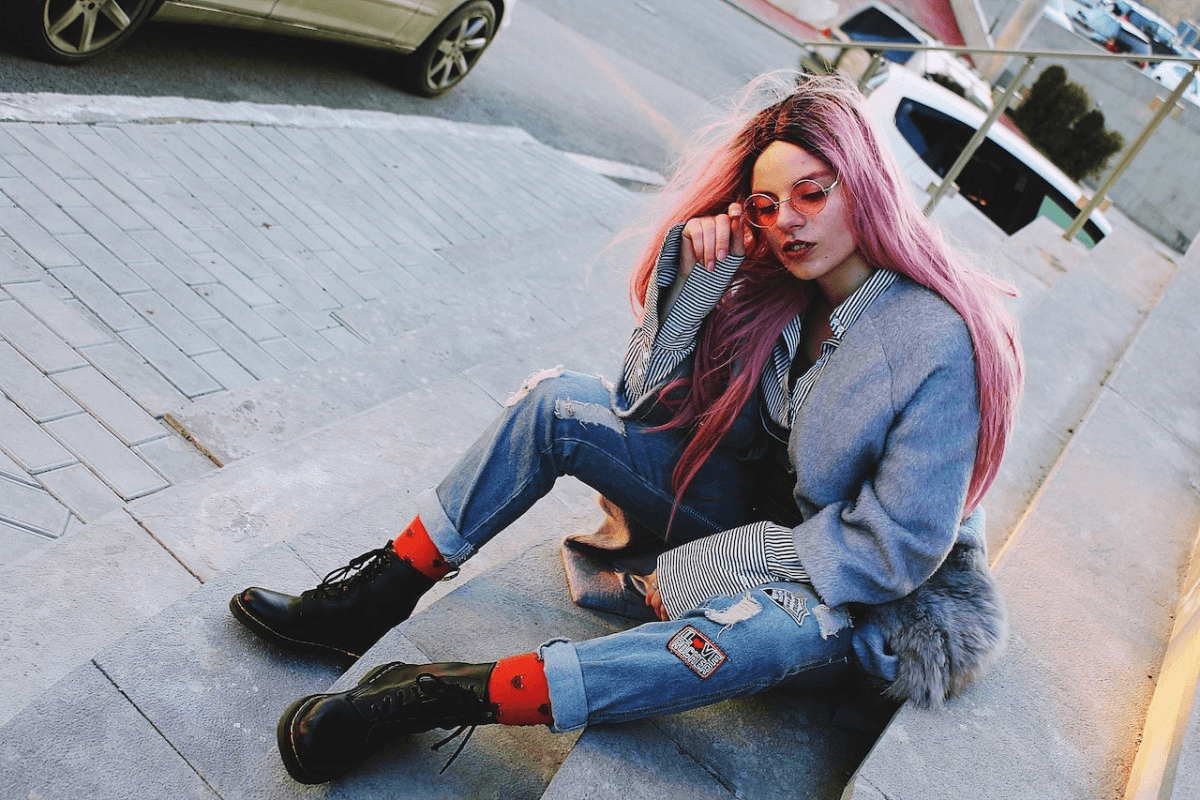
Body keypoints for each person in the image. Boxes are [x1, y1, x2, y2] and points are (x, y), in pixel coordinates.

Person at [230, 71, 1023, 785]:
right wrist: (696, 285)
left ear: (867, 186)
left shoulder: (935, 340)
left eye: (814, 193)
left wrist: (735, 558)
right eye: (767, 204)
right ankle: (375, 599)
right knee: (558, 405)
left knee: (754, 639)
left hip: (865, 593)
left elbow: (899, 548)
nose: (789, 223)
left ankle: (435, 696)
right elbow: (639, 404)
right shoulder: (782, 284)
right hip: (758, 509)